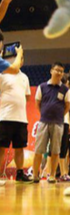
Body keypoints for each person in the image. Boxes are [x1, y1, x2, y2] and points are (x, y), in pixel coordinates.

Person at [32, 62, 70, 183]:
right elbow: (37, 103)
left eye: (61, 71)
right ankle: (35, 175)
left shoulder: (65, 89)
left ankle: (52, 175)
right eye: (57, 70)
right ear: (51, 71)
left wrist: (58, 116)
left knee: (55, 151)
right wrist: (44, 114)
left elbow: (67, 106)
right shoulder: (42, 87)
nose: (59, 73)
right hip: (43, 122)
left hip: (58, 124)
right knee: (38, 150)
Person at [0, 54, 32, 183]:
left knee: (19, 147)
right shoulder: (2, 74)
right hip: (5, 117)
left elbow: (27, 96)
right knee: (1, 147)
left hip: (21, 119)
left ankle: (20, 174)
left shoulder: (25, 77)